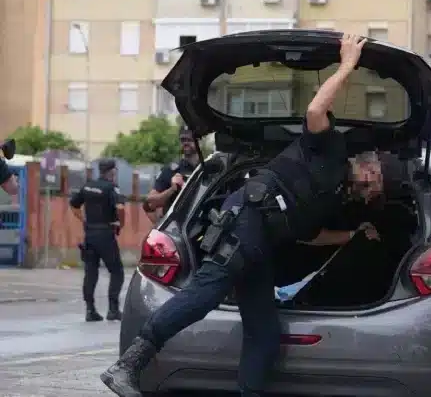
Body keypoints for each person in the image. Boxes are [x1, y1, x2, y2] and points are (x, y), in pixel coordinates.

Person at [100, 34, 402, 397]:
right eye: (375, 188)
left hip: (261, 245)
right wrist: (348, 66)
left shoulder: (337, 197)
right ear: (371, 170)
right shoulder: (330, 148)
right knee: (205, 294)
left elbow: (309, 235)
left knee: (265, 332)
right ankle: (127, 366)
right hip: (245, 220)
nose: (369, 196)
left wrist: (351, 235)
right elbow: (314, 111)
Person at [69, 159, 126, 322]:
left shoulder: (88, 186)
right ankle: (113, 310)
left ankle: (90, 310)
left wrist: (84, 220)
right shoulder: (112, 187)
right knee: (117, 272)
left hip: (90, 235)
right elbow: (120, 208)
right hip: (106, 235)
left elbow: (73, 205)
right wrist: (121, 224)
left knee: (90, 272)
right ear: (112, 172)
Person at [144, 126, 200, 223]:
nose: (186, 143)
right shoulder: (171, 170)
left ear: (199, 141)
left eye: (190, 139)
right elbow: (150, 203)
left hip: (200, 225)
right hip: (177, 227)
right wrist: (172, 190)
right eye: (183, 140)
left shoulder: (208, 168)